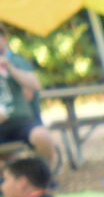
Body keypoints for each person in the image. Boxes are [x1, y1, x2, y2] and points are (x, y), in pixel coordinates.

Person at [1, 28, 66, 173]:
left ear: (4, 38)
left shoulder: (16, 61)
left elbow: (33, 88)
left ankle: (43, 177)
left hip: (20, 119)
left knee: (42, 136)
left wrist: (10, 68)